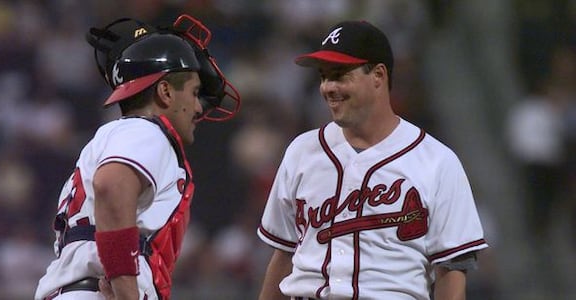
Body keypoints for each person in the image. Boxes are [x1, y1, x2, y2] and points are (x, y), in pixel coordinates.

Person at [257, 20, 488, 300]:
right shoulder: (301, 151)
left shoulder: (437, 161)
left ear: (378, 75)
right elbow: (284, 255)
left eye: (340, 75)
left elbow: (451, 271)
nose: (328, 87)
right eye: (323, 76)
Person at [35, 14, 240, 300]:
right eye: (194, 93)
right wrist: (128, 294)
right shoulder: (145, 130)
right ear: (165, 91)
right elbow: (111, 185)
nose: (198, 107)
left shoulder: (115, 136)